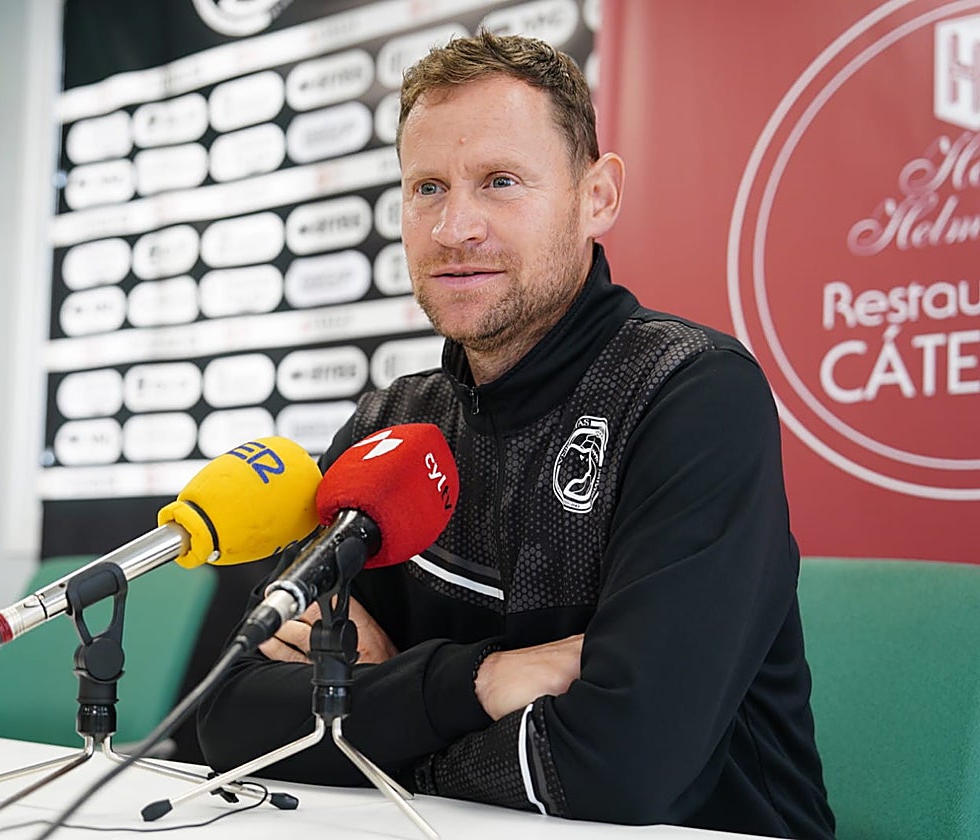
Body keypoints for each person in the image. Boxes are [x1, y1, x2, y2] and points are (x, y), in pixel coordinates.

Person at [196, 31, 835, 840]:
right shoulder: (389, 424)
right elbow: (229, 718)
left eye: (500, 181)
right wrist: (487, 683)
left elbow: (619, 771)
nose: (455, 226)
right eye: (427, 187)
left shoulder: (693, 393)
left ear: (596, 196)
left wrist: (379, 714)